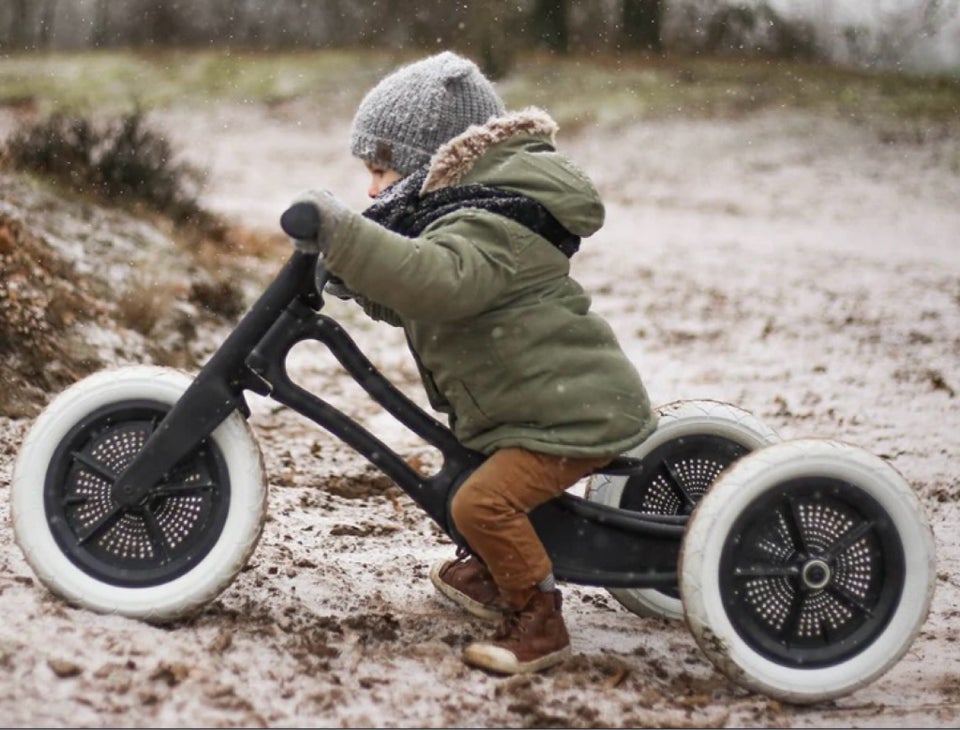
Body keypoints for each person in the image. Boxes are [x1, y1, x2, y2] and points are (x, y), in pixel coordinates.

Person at [292, 51, 657, 675]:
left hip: (568, 416)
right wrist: (356, 272)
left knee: (480, 504)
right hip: (533, 408)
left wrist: (348, 236)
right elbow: (417, 296)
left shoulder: (490, 222)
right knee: (467, 482)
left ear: (432, 162)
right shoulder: (462, 213)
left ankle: (536, 620)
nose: (373, 188)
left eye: (383, 168)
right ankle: (495, 571)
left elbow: (439, 283)